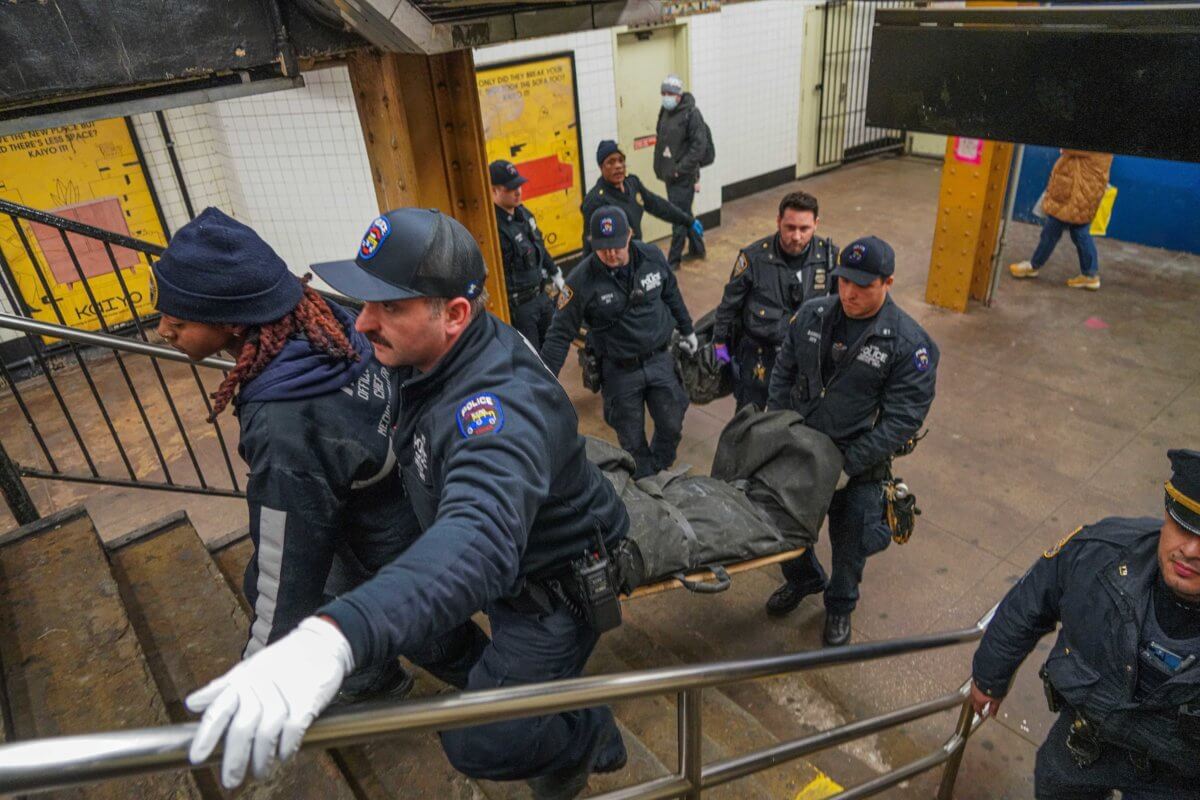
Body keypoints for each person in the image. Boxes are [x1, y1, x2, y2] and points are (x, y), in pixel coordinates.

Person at [185, 207, 631, 800]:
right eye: (364, 301)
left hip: (552, 591)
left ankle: (588, 733)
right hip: (519, 578)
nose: (362, 324)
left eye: (388, 306)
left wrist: (336, 636)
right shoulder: (432, 353)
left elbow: (480, 537)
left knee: (480, 743)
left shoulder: (494, 409)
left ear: (454, 314)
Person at [153, 206, 416, 703]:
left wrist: (257, 679)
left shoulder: (283, 428)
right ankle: (376, 676)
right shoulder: (329, 320)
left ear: (233, 321)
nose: (163, 330)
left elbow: (285, 570)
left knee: (425, 629)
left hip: (378, 531)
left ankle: (501, 705)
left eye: (180, 320)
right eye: (161, 310)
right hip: (386, 493)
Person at [970, 449, 1200, 798]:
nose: (1192, 550)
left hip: (1177, 775)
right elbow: (1032, 599)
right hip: (1086, 740)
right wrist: (990, 676)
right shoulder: (1101, 551)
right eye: (1183, 525)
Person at [764, 236, 938, 647]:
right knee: (786, 527)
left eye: (863, 285)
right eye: (844, 281)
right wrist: (777, 426)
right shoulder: (813, 315)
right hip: (802, 451)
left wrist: (847, 465)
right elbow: (784, 370)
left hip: (855, 467)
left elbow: (902, 421)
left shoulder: (909, 345)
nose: (849, 292)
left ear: (888, 282)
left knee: (850, 544)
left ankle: (840, 605)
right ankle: (804, 577)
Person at [541, 206, 697, 480]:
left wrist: (688, 330)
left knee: (672, 423)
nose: (611, 254)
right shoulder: (580, 281)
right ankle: (647, 481)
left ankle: (660, 467)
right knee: (631, 436)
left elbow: (672, 294)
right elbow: (559, 333)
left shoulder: (652, 257)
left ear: (629, 236)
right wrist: (542, 381)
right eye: (603, 248)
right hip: (620, 371)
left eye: (616, 246)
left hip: (660, 359)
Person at [712, 191, 838, 410]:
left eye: (804, 229)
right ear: (778, 221)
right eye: (790, 227)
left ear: (816, 224)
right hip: (760, 357)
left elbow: (839, 308)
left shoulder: (828, 259)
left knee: (793, 422)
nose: (796, 236)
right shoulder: (754, 258)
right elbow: (729, 305)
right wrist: (719, 342)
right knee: (748, 420)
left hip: (804, 359)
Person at [1009, 149, 1113, 291]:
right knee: (1079, 232)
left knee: (1052, 231)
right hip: (1083, 192)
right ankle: (1090, 274)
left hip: (1076, 195)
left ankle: (1034, 265)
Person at [580, 140, 703, 257]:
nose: (618, 166)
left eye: (621, 160)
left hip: (636, 254)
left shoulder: (632, 184)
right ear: (601, 167)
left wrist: (688, 220)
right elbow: (590, 245)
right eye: (610, 162)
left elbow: (657, 205)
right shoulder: (596, 200)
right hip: (615, 263)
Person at [490, 159, 565, 348]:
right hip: (520, 307)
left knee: (550, 349)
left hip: (541, 295)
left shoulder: (523, 215)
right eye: (510, 188)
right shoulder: (493, 228)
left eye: (519, 186)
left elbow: (539, 246)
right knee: (532, 359)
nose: (518, 192)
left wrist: (555, 272)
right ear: (494, 190)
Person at [653, 74, 710, 270]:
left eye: (669, 93)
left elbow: (699, 147)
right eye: (663, 93)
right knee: (684, 213)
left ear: (679, 95)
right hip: (669, 175)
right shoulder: (665, 111)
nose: (665, 96)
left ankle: (673, 261)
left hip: (683, 176)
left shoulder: (692, 114)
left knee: (677, 217)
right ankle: (697, 248)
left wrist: (680, 169)